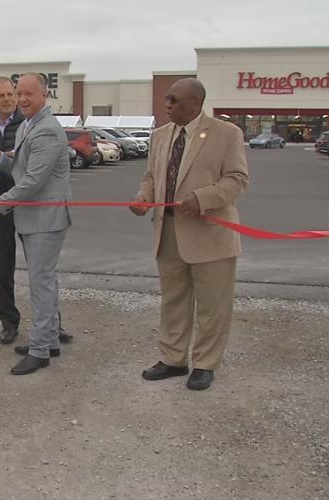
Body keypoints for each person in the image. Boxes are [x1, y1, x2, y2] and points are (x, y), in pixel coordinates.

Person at [130, 78, 249, 391]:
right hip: (167, 231)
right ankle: (173, 359)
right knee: (174, 302)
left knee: (213, 306)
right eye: (167, 100)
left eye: (174, 100)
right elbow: (152, 176)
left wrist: (203, 198)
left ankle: (206, 364)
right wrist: (143, 197)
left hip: (210, 233)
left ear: (196, 102)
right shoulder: (159, 136)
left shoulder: (227, 134)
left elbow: (237, 179)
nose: (167, 106)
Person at [0, 73, 72, 375]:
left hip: (45, 220)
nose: (21, 99)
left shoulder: (46, 130)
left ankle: (40, 350)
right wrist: (0, 158)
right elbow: (22, 166)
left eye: (28, 94)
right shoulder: (29, 125)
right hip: (33, 218)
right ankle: (49, 340)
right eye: (19, 93)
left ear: (45, 95)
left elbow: (33, 181)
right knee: (45, 281)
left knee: (41, 284)